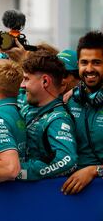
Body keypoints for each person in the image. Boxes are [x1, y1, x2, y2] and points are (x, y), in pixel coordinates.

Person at [17, 48, 78, 181]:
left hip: (38, 195)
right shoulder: (29, 106)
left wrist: (19, 172)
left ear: (45, 81)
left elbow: (67, 160)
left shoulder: (58, 119)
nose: (22, 85)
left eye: (26, 79)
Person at [62, 31, 103, 195]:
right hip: (71, 193)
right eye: (84, 62)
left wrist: (94, 170)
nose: (89, 69)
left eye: (97, 62)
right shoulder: (70, 100)